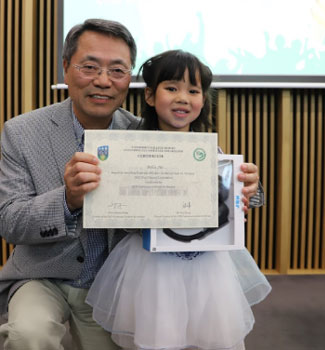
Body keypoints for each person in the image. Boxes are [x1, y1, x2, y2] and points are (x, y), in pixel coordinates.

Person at [86, 50, 271, 350]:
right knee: (159, 334)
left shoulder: (214, 153)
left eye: (193, 91)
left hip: (208, 266)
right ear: (149, 95)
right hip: (151, 265)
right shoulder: (129, 149)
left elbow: (241, 201)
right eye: (172, 88)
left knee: (211, 336)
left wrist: (244, 195)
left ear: (203, 99)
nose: (183, 98)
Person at [0, 19, 140, 350]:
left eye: (117, 70)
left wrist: (244, 186)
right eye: (89, 67)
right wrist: (68, 199)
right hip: (42, 275)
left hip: (112, 281)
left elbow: (204, 171)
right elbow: (9, 221)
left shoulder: (144, 134)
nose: (103, 81)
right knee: (29, 335)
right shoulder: (22, 131)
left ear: (129, 78)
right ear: (66, 68)